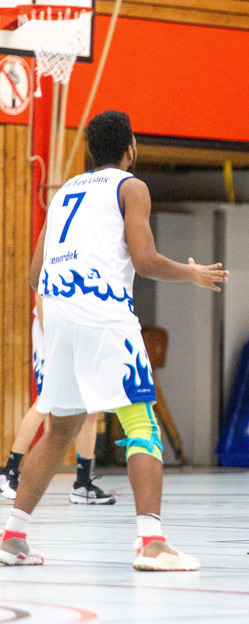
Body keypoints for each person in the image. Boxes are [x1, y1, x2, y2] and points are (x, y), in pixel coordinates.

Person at [0, 110, 228, 570]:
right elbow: (144, 260)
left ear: (89, 149)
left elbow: (32, 274)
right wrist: (192, 272)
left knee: (60, 427)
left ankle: (12, 535)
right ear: (131, 147)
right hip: (103, 315)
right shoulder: (130, 187)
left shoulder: (64, 190)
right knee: (141, 422)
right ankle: (151, 543)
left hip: (57, 318)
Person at [1, 301, 113, 504]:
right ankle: (9, 471)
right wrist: (49, 334)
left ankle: (82, 483)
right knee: (44, 400)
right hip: (53, 330)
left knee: (90, 406)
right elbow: (41, 292)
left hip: (82, 330)